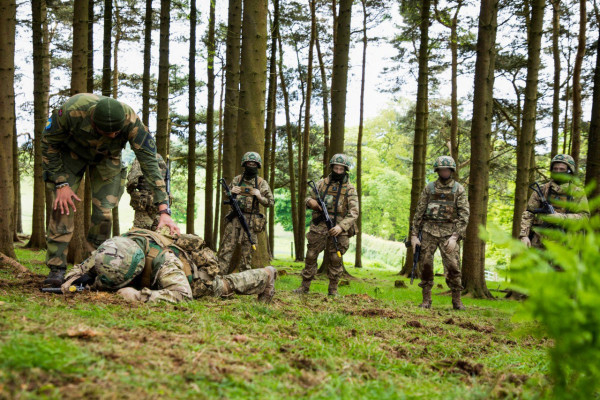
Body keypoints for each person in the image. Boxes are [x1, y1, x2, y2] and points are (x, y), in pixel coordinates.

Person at [42, 93, 179, 286]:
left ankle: (93, 265)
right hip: (71, 154)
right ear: (93, 123)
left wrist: (163, 209)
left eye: (117, 132)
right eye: (109, 133)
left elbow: (149, 163)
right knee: (62, 207)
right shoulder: (73, 110)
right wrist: (61, 183)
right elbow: (49, 143)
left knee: (104, 212)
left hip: (107, 158)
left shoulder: (131, 121)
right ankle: (56, 268)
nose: (114, 135)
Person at [60, 228, 277, 304]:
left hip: (193, 277)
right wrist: (73, 280)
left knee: (223, 286)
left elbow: (183, 295)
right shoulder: (114, 249)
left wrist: (138, 296)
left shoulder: (166, 263)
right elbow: (80, 268)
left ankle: (266, 275)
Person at [294, 154, 358, 297]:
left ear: (345, 170)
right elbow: (308, 197)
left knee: (336, 258)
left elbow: (354, 212)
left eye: (341, 169)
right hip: (319, 225)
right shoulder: (321, 184)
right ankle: (304, 287)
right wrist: (311, 202)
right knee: (311, 255)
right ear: (332, 168)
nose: (338, 171)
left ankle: (333, 290)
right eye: (336, 168)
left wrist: (341, 227)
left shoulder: (350, 188)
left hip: (339, 228)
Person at [410, 156, 469, 310]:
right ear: (437, 170)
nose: (444, 172)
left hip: (449, 234)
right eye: (441, 169)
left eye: (447, 169)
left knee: (453, 267)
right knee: (426, 266)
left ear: (451, 170)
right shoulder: (429, 188)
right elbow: (419, 212)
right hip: (429, 231)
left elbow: (464, 216)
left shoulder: (459, 189)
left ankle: (457, 301)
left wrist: (455, 237)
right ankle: (426, 300)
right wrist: (414, 235)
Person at [218, 152, 274, 272]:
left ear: (258, 166)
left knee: (246, 254)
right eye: (249, 163)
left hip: (251, 222)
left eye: (254, 164)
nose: (251, 165)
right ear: (244, 164)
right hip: (234, 220)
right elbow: (226, 196)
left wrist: (259, 196)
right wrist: (231, 192)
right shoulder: (237, 180)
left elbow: (270, 202)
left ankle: (245, 282)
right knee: (226, 251)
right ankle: (219, 278)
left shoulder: (261, 183)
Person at [519, 154, 589, 249]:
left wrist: (561, 218)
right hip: (540, 244)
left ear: (569, 171)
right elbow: (529, 213)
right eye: (555, 169)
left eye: (561, 169)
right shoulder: (542, 190)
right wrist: (524, 235)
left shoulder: (577, 193)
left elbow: (584, 218)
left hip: (566, 245)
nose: (558, 171)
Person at [127, 153, 170, 231]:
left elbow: (132, 181)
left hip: (144, 202)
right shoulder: (160, 158)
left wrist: (131, 192)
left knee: (142, 232)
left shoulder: (142, 156)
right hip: (159, 203)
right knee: (159, 232)